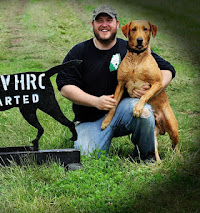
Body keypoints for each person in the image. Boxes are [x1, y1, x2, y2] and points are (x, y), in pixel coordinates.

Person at [56, 5, 176, 161]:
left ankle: (146, 155)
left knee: (144, 111)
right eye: (99, 21)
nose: (104, 24)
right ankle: (94, 139)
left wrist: (151, 91)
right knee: (87, 156)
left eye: (109, 20)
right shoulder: (79, 51)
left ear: (118, 25)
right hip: (88, 120)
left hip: (122, 112)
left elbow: (167, 70)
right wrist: (95, 101)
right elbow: (65, 87)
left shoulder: (132, 48)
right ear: (93, 25)